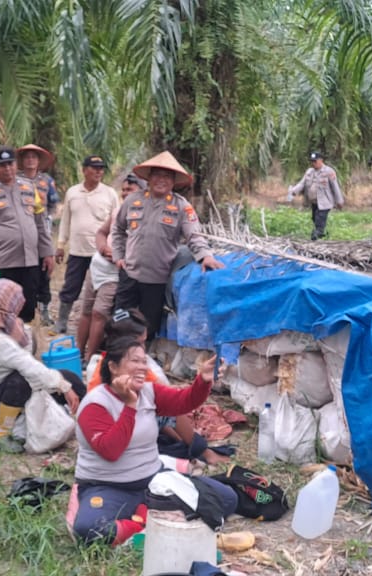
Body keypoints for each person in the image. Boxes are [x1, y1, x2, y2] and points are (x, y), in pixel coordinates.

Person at [69, 338, 235, 546]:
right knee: (89, 529)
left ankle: (145, 516)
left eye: (143, 361)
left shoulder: (149, 391)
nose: (142, 367)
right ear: (112, 366)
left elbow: (185, 401)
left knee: (227, 499)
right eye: (134, 361)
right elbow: (111, 450)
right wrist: (130, 405)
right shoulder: (96, 403)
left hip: (153, 481)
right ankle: (143, 524)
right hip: (108, 486)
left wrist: (202, 380)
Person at [87, 309, 229, 466]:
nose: (143, 350)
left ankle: (191, 446)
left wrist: (202, 381)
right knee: (170, 413)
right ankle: (203, 451)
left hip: (127, 428)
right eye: (139, 343)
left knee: (168, 409)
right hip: (118, 437)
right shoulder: (115, 381)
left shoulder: (121, 365)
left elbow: (177, 400)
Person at [111, 151, 224, 342]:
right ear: (149, 178)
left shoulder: (181, 206)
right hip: (129, 275)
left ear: (173, 182)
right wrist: (118, 256)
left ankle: (141, 361)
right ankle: (115, 360)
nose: (161, 180)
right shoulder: (133, 200)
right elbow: (118, 229)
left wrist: (205, 256)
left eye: (167, 176)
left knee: (148, 327)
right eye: (157, 175)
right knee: (119, 321)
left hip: (157, 280)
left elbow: (194, 235)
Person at [0, 279, 84, 454]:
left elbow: (28, 354)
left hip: (8, 393)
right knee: (23, 380)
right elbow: (28, 365)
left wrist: (66, 382)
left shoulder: (4, 328)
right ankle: (3, 433)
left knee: (71, 377)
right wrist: (63, 386)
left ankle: (85, 420)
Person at [0, 147, 55, 323]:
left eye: (10, 163)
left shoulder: (30, 187)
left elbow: (40, 222)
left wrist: (47, 252)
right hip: (3, 262)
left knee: (28, 307)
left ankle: (25, 344)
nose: (7, 168)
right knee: (3, 307)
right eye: (2, 165)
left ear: (16, 164)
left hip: (30, 260)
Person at [78, 174, 142, 360]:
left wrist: (118, 255)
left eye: (130, 189)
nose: (124, 193)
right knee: (86, 311)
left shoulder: (143, 216)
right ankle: (77, 353)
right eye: (123, 189)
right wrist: (103, 247)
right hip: (97, 265)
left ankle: (90, 358)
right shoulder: (118, 211)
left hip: (115, 273)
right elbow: (101, 232)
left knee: (100, 313)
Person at [54, 155, 120, 335]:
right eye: (94, 167)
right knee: (71, 287)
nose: (99, 171)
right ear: (84, 170)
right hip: (77, 251)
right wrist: (61, 244)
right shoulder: (72, 192)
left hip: (101, 252)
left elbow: (118, 223)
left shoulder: (110, 194)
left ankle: (103, 326)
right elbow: (66, 220)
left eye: (101, 168)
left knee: (104, 289)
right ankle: (62, 320)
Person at [18, 144, 61, 326]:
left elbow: (53, 203)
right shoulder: (15, 180)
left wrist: (47, 219)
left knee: (44, 269)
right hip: (22, 232)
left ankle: (44, 309)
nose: (30, 160)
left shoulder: (46, 181)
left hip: (42, 230)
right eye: (27, 157)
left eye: (33, 157)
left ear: (38, 161)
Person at [287, 151, 345, 240]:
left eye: (315, 161)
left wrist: (339, 201)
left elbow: (335, 187)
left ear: (321, 160)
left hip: (325, 202)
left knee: (320, 219)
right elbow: (302, 183)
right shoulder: (309, 172)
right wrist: (293, 191)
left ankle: (317, 234)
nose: (313, 163)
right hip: (314, 202)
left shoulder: (328, 171)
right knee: (314, 218)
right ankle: (321, 234)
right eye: (312, 161)